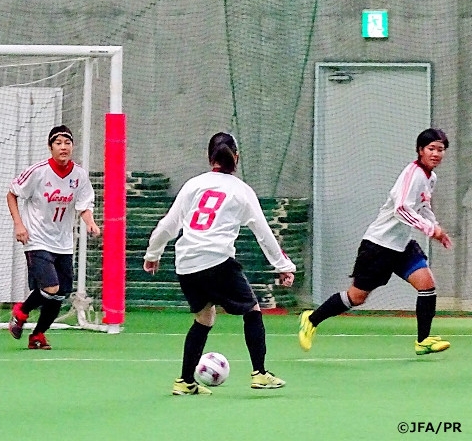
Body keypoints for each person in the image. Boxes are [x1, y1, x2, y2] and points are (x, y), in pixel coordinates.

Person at [143, 132, 296, 395]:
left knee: (204, 318)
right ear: (236, 158)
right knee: (253, 310)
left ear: (209, 157)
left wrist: (152, 254)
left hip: (187, 263)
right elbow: (264, 233)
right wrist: (283, 265)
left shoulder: (193, 185)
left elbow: (168, 225)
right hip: (217, 260)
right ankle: (259, 373)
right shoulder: (242, 191)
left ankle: (185, 381)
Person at [299, 128, 452, 356]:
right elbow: (401, 209)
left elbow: (423, 205)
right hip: (379, 246)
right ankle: (311, 318)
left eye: (441, 150)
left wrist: (435, 227)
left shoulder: (430, 177)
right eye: (431, 149)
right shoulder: (413, 175)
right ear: (420, 151)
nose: (436, 154)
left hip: (402, 246)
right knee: (356, 297)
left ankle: (423, 340)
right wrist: (430, 229)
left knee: (427, 285)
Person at [7, 125, 100, 349]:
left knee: (60, 295)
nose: (63, 147)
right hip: (37, 239)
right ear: (50, 147)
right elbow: (12, 193)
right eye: (58, 143)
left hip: (64, 242)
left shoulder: (79, 175)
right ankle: (21, 311)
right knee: (51, 288)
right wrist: (19, 224)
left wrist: (90, 223)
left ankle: (37, 335)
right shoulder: (38, 172)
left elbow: (84, 204)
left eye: (67, 143)